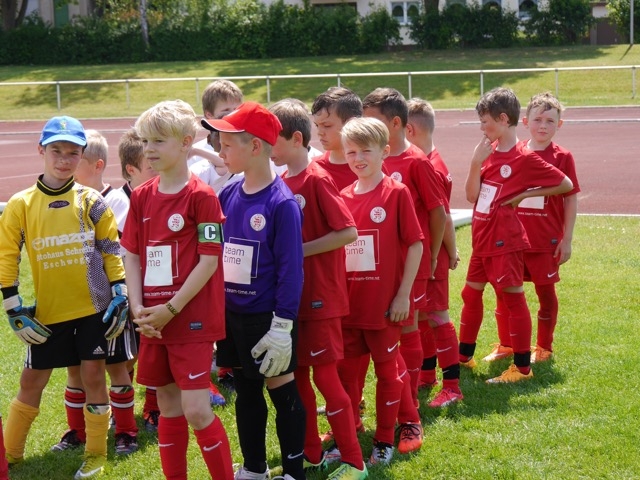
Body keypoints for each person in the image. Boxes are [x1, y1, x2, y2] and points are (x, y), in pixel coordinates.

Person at [0, 115, 128, 479]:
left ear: (82, 155)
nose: (64, 159)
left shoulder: (91, 200)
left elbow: (111, 249)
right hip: (49, 312)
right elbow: (7, 256)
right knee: (31, 381)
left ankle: (96, 454)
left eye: (73, 152)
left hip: (94, 309)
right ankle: (9, 455)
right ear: (41, 150)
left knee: (94, 377)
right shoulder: (21, 204)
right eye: (56, 150)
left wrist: (120, 292)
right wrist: (13, 307)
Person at [120, 100, 234, 480]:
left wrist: (171, 308)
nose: (149, 149)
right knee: (167, 405)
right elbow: (131, 253)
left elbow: (209, 261)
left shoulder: (202, 196)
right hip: (152, 320)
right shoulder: (142, 195)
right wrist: (137, 307)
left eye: (158, 141)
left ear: (186, 142)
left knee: (197, 410)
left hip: (189, 318)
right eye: (145, 141)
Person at [202, 101, 306, 480]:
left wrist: (282, 326)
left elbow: (291, 272)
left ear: (256, 146)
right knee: (247, 392)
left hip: (268, 318)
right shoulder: (228, 194)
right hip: (233, 317)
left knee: (282, 391)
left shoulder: (281, 203)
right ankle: (254, 468)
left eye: (228, 144)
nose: (220, 151)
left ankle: (293, 471)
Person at [269, 99, 368, 480]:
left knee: (327, 379)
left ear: (296, 139)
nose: (266, 147)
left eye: (272, 139)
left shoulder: (316, 179)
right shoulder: (281, 181)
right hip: (291, 299)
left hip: (321, 297)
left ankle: (354, 462)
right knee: (299, 380)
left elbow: (348, 232)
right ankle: (312, 454)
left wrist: (298, 251)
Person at [457, 87, 573, 384]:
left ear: (502, 119)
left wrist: (524, 194)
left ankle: (521, 368)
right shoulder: (487, 152)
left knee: (512, 297)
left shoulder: (523, 157)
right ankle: (463, 356)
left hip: (504, 241)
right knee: (470, 293)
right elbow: (471, 196)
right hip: (482, 237)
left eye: (485, 122)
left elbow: (565, 184)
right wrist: (474, 162)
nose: (482, 128)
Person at [361, 88, 445, 452]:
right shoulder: (366, 161)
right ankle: (401, 401)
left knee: (407, 328)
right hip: (378, 268)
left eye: (372, 120)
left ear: (395, 123)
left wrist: (432, 256)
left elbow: (438, 212)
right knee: (388, 333)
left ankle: (408, 405)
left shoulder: (416, 161)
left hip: (411, 263)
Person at [339, 116, 424, 466]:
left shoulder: (395, 192)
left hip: (385, 304)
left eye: (366, 151)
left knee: (387, 371)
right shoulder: (343, 196)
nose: (358, 159)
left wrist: (403, 294)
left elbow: (415, 244)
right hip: (350, 306)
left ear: (384, 151)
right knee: (346, 374)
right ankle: (349, 429)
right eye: (351, 152)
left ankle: (385, 439)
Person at [50, 129, 139, 456]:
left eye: (77, 158)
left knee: (116, 366)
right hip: (74, 300)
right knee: (75, 369)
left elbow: (119, 252)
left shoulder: (115, 201)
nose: (69, 165)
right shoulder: (65, 201)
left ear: (96, 164)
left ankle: (126, 431)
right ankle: (78, 430)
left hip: (108, 301)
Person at [483, 92, 581, 364]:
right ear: (525, 121)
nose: (543, 126)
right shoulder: (511, 151)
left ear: (559, 124)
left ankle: (544, 347)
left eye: (550, 121)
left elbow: (570, 196)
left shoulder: (563, 157)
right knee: (504, 292)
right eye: (537, 119)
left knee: (545, 293)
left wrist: (567, 239)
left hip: (544, 240)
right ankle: (506, 344)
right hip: (511, 240)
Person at [406, 98, 464, 408]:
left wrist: (449, 252)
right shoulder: (430, 160)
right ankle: (427, 375)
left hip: (432, 253)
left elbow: (444, 216)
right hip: (427, 252)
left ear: (409, 130)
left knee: (438, 315)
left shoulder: (430, 166)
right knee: (423, 315)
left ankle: (452, 387)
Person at [117, 128, 164, 431]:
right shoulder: (118, 206)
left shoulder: (161, 195)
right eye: (150, 166)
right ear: (131, 170)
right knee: (127, 355)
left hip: (158, 287)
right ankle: (121, 409)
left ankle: (153, 407)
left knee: (155, 348)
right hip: (126, 291)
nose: (157, 170)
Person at [188, 79, 244, 193]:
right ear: (209, 115)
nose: (233, 115)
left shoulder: (248, 147)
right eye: (226, 110)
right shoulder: (195, 155)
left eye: (236, 109)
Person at [311, 87, 362, 191]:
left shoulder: (371, 165)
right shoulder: (313, 168)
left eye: (327, 125)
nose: (319, 132)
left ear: (350, 123)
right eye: (317, 125)